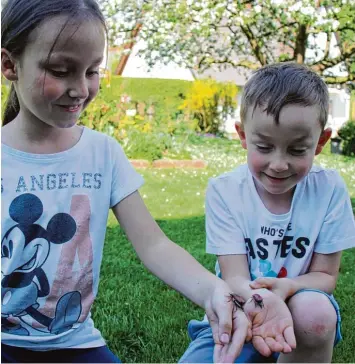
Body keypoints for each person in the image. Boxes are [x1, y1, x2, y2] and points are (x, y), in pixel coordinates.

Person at [0, 0, 255, 362]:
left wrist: (215, 290)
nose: (80, 89)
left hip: (76, 344)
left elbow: (154, 246)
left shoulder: (103, 153)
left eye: (91, 71)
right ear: (10, 64)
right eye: (60, 70)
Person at [179, 63, 355, 363]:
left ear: (321, 143)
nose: (278, 164)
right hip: (239, 310)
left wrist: (289, 288)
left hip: (302, 310)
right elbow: (235, 277)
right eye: (264, 146)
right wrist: (264, 302)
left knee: (314, 313)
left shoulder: (329, 190)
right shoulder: (226, 191)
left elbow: (325, 275)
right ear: (243, 136)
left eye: (297, 150)